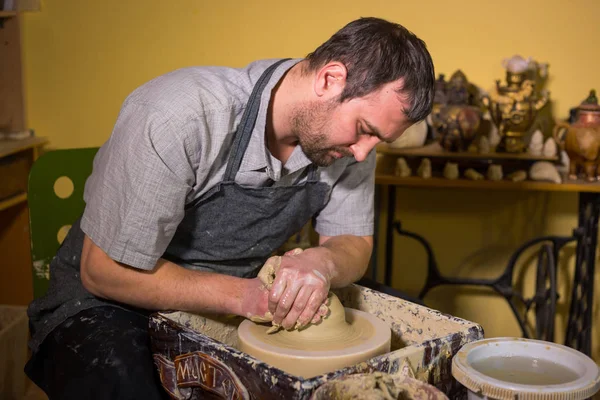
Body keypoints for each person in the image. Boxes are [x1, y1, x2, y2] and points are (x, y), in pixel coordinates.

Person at [25, 16, 435, 399]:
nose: (363, 154)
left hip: (239, 298)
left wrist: (322, 263)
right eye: (364, 130)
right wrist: (250, 299)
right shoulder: (180, 115)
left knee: (408, 353)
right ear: (330, 79)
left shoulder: (348, 145)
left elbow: (353, 241)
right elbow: (102, 272)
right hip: (107, 303)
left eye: (377, 140)